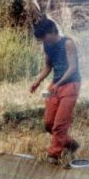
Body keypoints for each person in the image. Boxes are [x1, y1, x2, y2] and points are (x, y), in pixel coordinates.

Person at [29, 18, 81, 162]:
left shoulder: (68, 43)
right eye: (41, 40)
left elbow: (73, 68)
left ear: (52, 31)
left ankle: (53, 156)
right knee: (49, 124)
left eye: (44, 38)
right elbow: (48, 66)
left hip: (71, 84)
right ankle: (70, 144)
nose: (44, 42)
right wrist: (37, 81)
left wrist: (60, 83)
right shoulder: (47, 45)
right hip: (55, 84)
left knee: (59, 125)